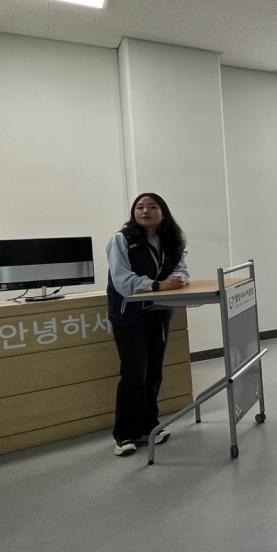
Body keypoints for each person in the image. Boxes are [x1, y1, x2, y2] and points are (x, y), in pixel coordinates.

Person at [106, 193, 189, 457]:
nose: (145, 211)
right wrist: (156, 285)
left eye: (152, 207)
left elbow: (182, 270)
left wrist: (178, 280)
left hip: (159, 315)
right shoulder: (122, 240)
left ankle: (148, 427)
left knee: (153, 373)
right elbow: (121, 279)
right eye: (140, 207)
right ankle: (124, 434)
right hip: (129, 317)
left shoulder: (171, 240)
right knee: (133, 374)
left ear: (163, 213)